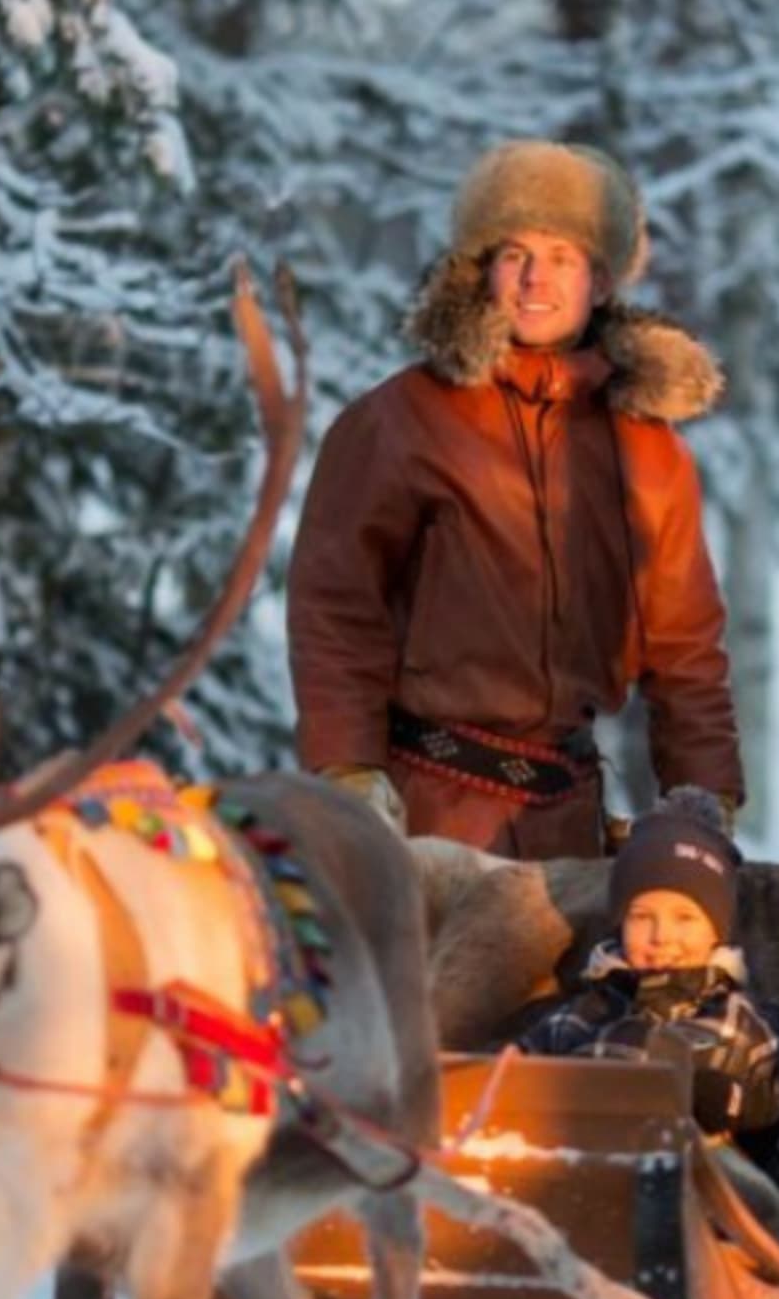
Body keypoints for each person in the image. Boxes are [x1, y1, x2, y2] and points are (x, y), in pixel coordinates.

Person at [285, 137, 744, 858]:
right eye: (514, 255)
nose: (535, 278)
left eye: (561, 257)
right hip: (425, 815)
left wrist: (702, 796)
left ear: (599, 282)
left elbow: (684, 642)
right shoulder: (399, 420)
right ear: (482, 272)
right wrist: (349, 768)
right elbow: (336, 605)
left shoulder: (647, 448)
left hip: (571, 822)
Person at [515, 792, 779, 1233]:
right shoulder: (579, 1018)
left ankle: (720, 1187)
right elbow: (504, 1094)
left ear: (717, 928)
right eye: (641, 916)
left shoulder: (757, 1027)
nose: (661, 936)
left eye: (685, 918)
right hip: (583, 1200)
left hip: (707, 1232)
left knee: (711, 1162)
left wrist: (754, 1118)